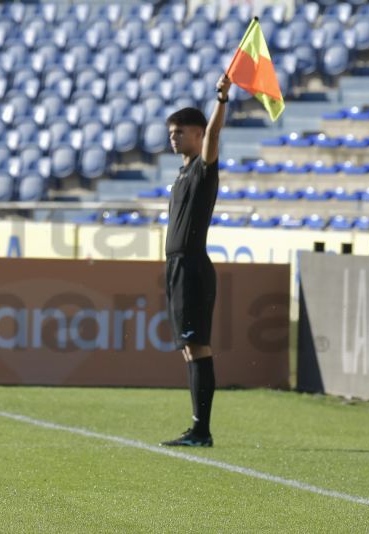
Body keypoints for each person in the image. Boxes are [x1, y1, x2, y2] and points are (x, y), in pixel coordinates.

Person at [159, 75, 231, 448]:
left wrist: (221, 97)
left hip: (192, 266)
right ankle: (196, 427)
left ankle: (202, 431)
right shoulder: (183, 172)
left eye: (180, 131)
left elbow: (215, 137)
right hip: (177, 268)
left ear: (198, 133)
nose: (173, 137)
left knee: (197, 345)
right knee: (189, 348)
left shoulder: (203, 168)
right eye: (171, 132)